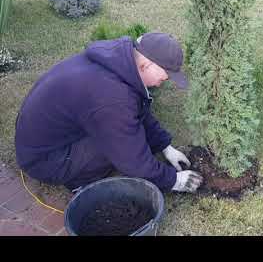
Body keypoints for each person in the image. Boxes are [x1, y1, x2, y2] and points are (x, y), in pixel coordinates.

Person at [14, 32, 203, 193]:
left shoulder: (119, 62)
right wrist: (173, 181)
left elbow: (138, 109)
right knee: (118, 145)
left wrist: (165, 147)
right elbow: (132, 161)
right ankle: (79, 182)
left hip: (44, 137)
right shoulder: (112, 98)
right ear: (146, 65)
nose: (167, 78)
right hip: (45, 159)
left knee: (127, 128)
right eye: (166, 73)